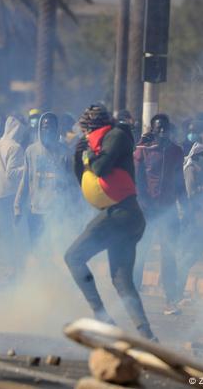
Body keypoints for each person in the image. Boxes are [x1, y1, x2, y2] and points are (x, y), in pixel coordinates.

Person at [64, 104, 156, 340]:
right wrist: (79, 155)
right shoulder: (97, 143)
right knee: (121, 280)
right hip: (123, 217)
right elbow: (82, 178)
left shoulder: (116, 136)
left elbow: (101, 167)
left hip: (122, 214)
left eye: (85, 130)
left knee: (73, 257)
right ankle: (147, 336)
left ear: (91, 126)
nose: (84, 135)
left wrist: (87, 154)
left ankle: (102, 318)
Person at [133, 114, 186, 314]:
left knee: (169, 255)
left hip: (169, 211)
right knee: (142, 254)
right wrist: (145, 205)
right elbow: (137, 181)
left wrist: (186, 207)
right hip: (147, 212)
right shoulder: (143, 151)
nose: (162, 132)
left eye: (165, 128)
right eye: (158, 128)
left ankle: (170, 300)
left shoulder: (176, 151)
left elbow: (180, 182)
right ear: (152, 130)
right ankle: (133, 297)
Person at [14, 112, 73, 246]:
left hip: (57, 212)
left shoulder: (65, 152)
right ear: (40, 129)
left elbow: (71, 183)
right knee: (37, 247)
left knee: (55, 247)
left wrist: (71, 209)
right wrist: (17, 208)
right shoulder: (31, 151)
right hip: (36, 211)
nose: (48, 130)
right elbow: (25, 182)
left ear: (57, 129)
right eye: (45, 127)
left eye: (52, 127)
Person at [177, 142, 203, 297]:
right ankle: (177, 285)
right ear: (196, 155)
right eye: (202, 156)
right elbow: (190, 193)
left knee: (192, 249)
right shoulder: (191, 169)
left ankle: (178, 287)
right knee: (192, 249)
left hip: (193, 214)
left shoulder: (195, 169)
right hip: (190, 215)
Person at [0, 116, 26, 258]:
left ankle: (12, 268)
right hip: (13, 197)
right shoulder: (14, 147)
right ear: (18, 129)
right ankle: (21, 269)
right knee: (20, 234)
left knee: (7, 235)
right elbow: (12, 173)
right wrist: (29, 167)